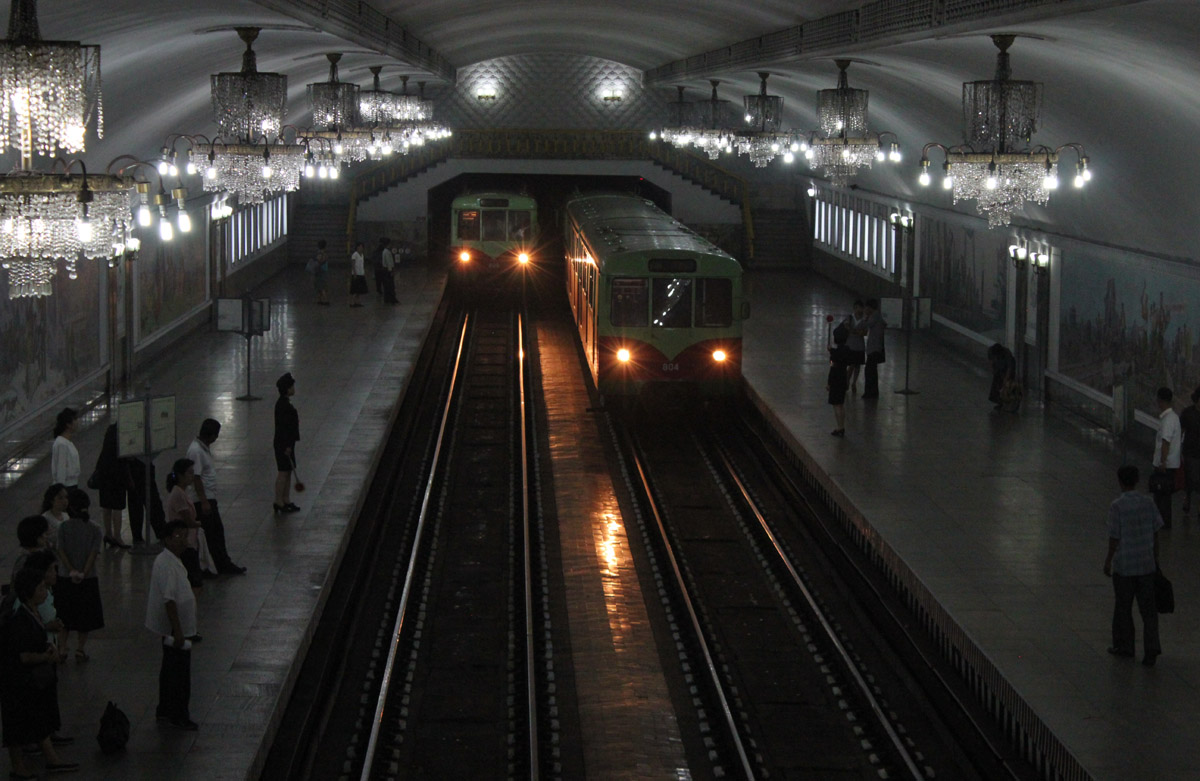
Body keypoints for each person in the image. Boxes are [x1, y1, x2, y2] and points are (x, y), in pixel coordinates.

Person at [1, 568, 78, 776]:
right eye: (41, 588)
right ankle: (19, 769)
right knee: (17, 726)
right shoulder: (20, 619)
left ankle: (50, 758)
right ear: (29, 592)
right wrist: (46, 656)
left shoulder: (31, 613)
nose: (45, 591)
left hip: (28, 681)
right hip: (18, 681)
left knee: (36, 719)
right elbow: (23, 655)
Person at [1104, 465, 1163, 666]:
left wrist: (1108, 560)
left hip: (1125, 565)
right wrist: (1156, 558)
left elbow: (1114, 537)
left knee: (1123, 607)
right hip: (1146, 564)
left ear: (1120, 481)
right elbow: (1156, 532)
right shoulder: (1148, 503)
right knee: (1148, 610)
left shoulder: (1117, 506)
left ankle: (1125, 646)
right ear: (1136, 480)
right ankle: (1152, 647)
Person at [145, 520, 198, 731]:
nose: (184, 541)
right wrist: (177, 630)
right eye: (179, 536)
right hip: (176, 631)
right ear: (167, 539)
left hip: (177, 629)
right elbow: (169, 600)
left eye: (185, 536)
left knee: (169, 670)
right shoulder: (166, 563)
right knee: (179, 675)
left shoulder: (172, 559)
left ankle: (165, 710)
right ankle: (178, 714)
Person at [186, 419, 246, 575]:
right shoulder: (196, 451)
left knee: (215, 532)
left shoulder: (202, 449)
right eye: (216, 435)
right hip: (203, 499)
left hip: (208, 497)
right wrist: (204, 501)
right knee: (213, 533)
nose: (217, 438)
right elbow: (196, 477)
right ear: (210, 435)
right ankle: (220, 565)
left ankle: (219, 564)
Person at [53, 490, 103, 663]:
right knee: (85, 616)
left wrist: (71, 570)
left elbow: (61, 551)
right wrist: (83, 572)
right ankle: (80, 649)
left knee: (64, 615)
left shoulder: (63, 527)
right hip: (88, 579)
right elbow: (93, 554)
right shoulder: (95, 528)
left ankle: (62, 647)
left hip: (65, 577)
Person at [165, 459, 204, 591]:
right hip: (184, 541)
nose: (192, 476)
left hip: (188, 540)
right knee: (192, 578)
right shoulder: (178, 495)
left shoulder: (181, 492)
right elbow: (188, 521)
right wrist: (202, 524)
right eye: (189, 473)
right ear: (181, 475)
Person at [92, 423, 131, 549]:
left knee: (106, 505)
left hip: (104, 471)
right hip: (117, 473)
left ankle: (108, 534)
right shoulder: (124, 431)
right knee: (117, 506)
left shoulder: (110, 429)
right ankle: (117, 536)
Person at [1152, 386, 1182, 527]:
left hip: (1166, 466)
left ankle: (1162, 523)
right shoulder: (1172, 417)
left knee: (1161, 496)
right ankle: (1163, 522)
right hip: (1169, 465)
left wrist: (1162, 462)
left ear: (1160, 401)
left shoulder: (1169, 419)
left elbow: (1165, 442)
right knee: (1164, 496)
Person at [273, 373, 300, 514]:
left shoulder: (284, 403)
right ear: (287, 389)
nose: (294, 388)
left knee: (288, 471)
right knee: (283, 472)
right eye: (292, 386)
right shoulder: (283, 406)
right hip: (284, 444)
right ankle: (279, 500)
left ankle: (286, 499)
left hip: (287, 443)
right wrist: (287, 446)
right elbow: (285, 428)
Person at [827, 322, 852, 437]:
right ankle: (842, 426)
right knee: (841, 405)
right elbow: (839, 355)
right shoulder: (847, 351)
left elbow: (832, 367)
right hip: (843, 378)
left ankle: (839, 427)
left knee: (836, 405)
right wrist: (832, 351)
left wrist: (829, 383)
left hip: (835, 380)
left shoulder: (835, 355)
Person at [10, 517, 49, 590]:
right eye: (44, 533)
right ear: (36, 536)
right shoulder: (25, 559)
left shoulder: (36, 554)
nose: (46, 536)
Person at [1179, 386, 1200, 519]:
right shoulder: (1187, 413)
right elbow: (1181, 431)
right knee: (1191, 478)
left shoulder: (1187, 413)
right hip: (1190, 452)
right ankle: (1188, 497)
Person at [862, 298, 886, 399]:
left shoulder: (874, 316)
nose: (865, 309)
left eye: (866, 307)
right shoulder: (878, 316)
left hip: (874, 348)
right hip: (875, 347)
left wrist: (866, 316)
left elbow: (866, 324)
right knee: (872, 370)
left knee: (869, 371)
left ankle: (869, 392)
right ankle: (873, 392)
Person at [49, 409, 79, 490]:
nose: (77, 422)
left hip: (71, 484)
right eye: (75, 419)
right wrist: (61, 489)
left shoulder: (67, 442)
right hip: (67, 486)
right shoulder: (62, 444)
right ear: (68, 424)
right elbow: (61, 469)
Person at [842, 300, 867, 395]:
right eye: (859, 308)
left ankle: (854, 382)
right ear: (855, 308)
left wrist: (855, 331)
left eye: (862, 308)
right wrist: (857, 332)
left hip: (860, 346)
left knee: (858, 365)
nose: (861, 310)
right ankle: (847, 381)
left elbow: (864, 332)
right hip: (850, 345)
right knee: (851, 365)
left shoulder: (864, 320)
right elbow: (846, 326)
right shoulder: (850, 318)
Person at [987, 343, 1016, 410]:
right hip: (998, 367)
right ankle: (999, 401)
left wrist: (1005, 379)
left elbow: (1010, 368)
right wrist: (994, 371)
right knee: (997, 383)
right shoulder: (991, 351)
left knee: (1008, 384)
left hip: (1006, 367)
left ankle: (1009, 402)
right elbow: (991, 362)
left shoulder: (1007, 354)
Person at [40, 484, 67, 549]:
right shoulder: (45, 518)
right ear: (52, 500)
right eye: (60, 498)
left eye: (66, 497)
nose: (65, 501)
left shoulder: (66, 516)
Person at [349, 241, 368, 307]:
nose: (361, 248)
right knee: (355, 289)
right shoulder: (355, 254)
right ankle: (352, 302)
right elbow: (353, 264)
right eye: (360, 247)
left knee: (359, 290)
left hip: (361, 273)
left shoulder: (362, 255)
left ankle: (358, 302)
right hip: (356, 274)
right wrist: (354, 273)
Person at [312, 239, 330, 305]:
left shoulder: (319, 254)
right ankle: (320, 300)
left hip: (319, 272)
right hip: (324, 271)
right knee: (321, 287)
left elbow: (319, 261)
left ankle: (325, 300)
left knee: (321, 287)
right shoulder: (325, 254)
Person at [380, 237, 398, 304]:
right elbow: (389, 262)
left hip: (386, 270)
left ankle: (388, 299)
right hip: (387, 270)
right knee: (390, 285)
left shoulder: (385, 251)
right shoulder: (386, 252)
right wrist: (391, 271)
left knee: (387, 286)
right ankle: (391, 299)